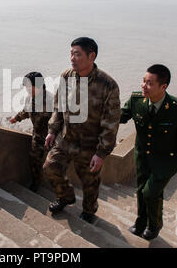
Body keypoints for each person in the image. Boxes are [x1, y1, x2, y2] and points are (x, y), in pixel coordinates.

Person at [43, 37, 121, 223]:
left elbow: (111, 122)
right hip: (65, 139)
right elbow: (58, 107)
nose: (72, 58)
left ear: (91, 56)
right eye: (71, 53)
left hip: (89, 145)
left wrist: (101, 152)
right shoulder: (66, 76)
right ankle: (66, 197)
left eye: (77, 54)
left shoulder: (108, 85)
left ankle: (89, 210)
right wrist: (53, 130)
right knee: (50, 168)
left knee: (90, 182)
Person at [120, 64, 177, 240]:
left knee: (150, 192)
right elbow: (120, 116)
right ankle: (140, 223)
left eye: (149, 83)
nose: (143, 86)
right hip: (143, 156)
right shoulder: (136, 100)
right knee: (141, 190)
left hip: (166, 160)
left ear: (164, 86)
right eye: (143, 81)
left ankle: (154, 226)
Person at [10, 72, 53, 192]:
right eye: (26, 87)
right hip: (38, 136)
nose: (27, 89)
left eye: (30, 86)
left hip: (53, 138)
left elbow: (62, 120)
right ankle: (36, 183)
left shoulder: (51, 100)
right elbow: (26, 111)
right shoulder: (29, 98)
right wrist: (16, 119)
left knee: (53, 164)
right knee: (34, 160)